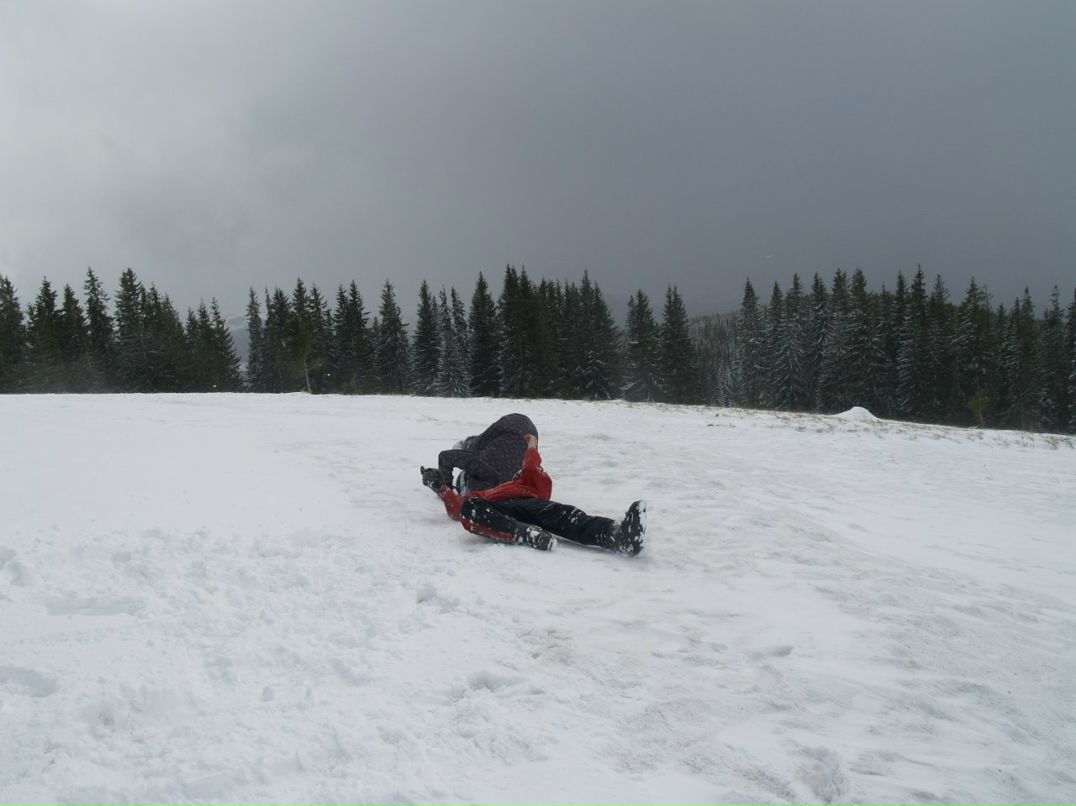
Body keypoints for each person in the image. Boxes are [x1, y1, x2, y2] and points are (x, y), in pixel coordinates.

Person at [421, 432, 646, 556]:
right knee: (470, 509)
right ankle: (527, 534)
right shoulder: (481, 495)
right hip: (500, 514)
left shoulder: (528, 481)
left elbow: (530, 468)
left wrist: (532, 446)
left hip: (529, 504)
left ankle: (619, 537)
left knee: (566, 515)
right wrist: (441, 489)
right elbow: (457, 509)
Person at [436, 413, 538, 494]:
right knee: (480, 443)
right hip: (512, 424)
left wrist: (445, 489)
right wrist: (446, 484)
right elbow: (445, 457)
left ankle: (466, 444)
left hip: (525, 434)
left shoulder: (510, 488)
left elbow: (444, 457)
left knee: (479, 444)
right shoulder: (478, 464)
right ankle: (466, 444)